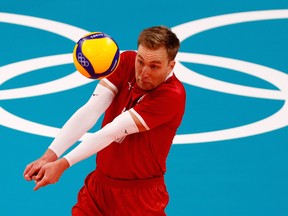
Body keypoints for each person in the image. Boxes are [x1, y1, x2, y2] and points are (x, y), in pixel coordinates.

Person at [23, 25, 186, 215]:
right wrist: (49, 156)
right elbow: (91, 110)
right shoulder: (125, 62)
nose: (143, 72)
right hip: (98, 189)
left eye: (154, 66)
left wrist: (63, 164)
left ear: (170, 66)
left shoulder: (172, 96)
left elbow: (112, 131)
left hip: (139, 198)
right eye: (140, 61)